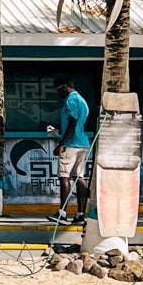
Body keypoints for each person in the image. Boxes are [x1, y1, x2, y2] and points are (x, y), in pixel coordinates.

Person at [53, 76, 92, 222]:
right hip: (82, 143)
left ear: (64, 86)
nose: (58, 93)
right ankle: (80, 214)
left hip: (70, 144)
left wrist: (62, 143)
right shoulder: (82, 100)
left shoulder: (70, 100)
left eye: (58, 89)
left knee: (64, 177)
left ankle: (62, 213)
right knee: (78, 177)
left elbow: (72, 123)